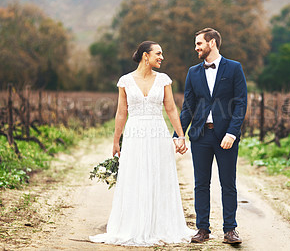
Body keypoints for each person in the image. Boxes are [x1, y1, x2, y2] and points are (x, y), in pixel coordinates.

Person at [89, 41, 194, 246]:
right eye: (158, 53)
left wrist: (181, 136)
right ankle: (134, 225)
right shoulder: (125, 81)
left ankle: (159, 225)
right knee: (135, 177)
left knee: (159, 176)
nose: (162, 57)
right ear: (146, 56)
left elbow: (171, 109)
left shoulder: (163, 80)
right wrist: (116, 140)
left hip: (158, 133)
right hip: (134, 135)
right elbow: (121, 112)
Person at [173, 28, 247, 244]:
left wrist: (233, 133)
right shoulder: (193, 72)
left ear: (212, 43)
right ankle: (202, 229)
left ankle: (230, 230)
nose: (196, 48)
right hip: (201, 136)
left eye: (199, 44)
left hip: (226, 136)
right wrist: (178, 135)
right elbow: (187, 106)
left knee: (228, 183)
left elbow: (241, 103)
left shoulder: (234, 68)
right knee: (201, 183)